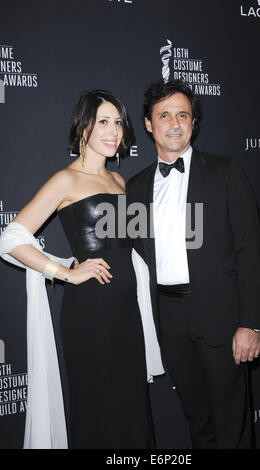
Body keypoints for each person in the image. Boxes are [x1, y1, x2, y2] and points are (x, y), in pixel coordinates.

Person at [0, 89, 163, 449]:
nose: (113, 130)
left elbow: (135, 248)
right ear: (83, 127)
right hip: (91, 314)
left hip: (127, 312)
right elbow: (10, 239)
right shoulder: (66, 180)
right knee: (99, 410)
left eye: (118, 122)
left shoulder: (120, 182)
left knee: (133, 410)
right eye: (103, 121)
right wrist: (64, 272)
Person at [127, 79, 260, 449]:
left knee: (232, 424)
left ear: (193, 122)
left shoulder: (225, 172)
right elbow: (131, 252)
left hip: (222, 316)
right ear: (148, 124)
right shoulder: (137, 187)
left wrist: (251, 324)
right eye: (164, 115)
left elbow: (251, 253)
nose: (174, 123)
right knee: (198, 420)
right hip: (169, 318)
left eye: (183, 115)